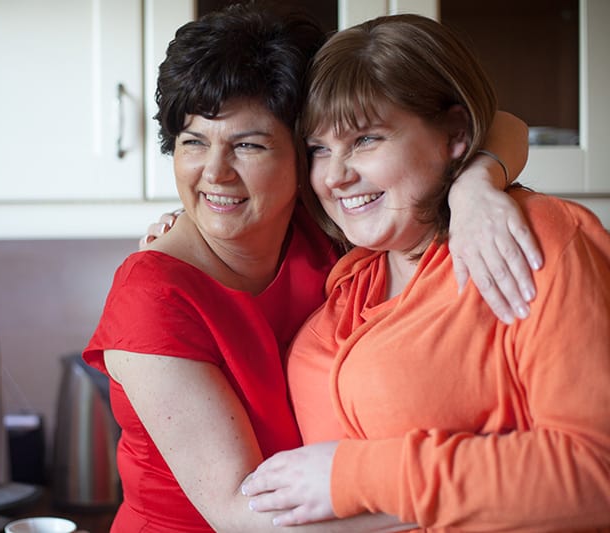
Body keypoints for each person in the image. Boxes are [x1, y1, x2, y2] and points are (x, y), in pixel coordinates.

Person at [84, 4, 538, 532]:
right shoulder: (153, 295)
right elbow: (241, 514)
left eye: (248, 145)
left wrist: (476, 184)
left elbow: (499, 124)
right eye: (193, 142)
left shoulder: (326, 224)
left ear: (305, 154)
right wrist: (488, 490)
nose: (214, 173)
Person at [240, 13, 610, 531]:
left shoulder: (539, 238)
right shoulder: (350, 261)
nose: (337, 175)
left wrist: (352, 474)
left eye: (366, 139)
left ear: (455, 133)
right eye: (319, 149)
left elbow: (596, 475)